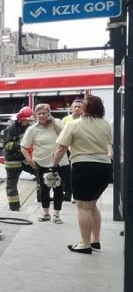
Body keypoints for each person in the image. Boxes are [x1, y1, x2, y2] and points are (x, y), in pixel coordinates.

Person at [52, 94, 112, 254]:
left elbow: (61, 148)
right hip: (104, 168)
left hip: (84, 167)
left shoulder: (74, 125)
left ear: (85, 108)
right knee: (92, 205)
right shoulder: (106, 125)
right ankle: (95, 240)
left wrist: (54, 165)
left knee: (83, 207)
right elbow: (109, 146)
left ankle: (85, 244)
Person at [21, 103, 69, 223]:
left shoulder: (57, 122)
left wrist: (53, 122)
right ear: (36, 115)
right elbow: (24, 146)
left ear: (49, 113)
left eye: (44, 113)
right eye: (39, 114)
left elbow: (64, 136)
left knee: (58, 189)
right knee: (44, 189)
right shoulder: (32, 129)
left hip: (60, 162)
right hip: (41, 162)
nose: (41, 116)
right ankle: (46, 213)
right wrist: (30, 160)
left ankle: (57, 215)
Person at [2, 106, 34, 211]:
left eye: (29, 120)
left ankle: (41, 200)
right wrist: (21, 145)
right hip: (13, 161)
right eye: (26, 120)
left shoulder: (28, 128)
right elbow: (7, 145)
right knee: (12, 184)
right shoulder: (10, 129)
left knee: (40, 175)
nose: (28, 122)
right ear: (20, 118)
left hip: (25, 159)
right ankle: (14, 207)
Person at [60, 98, 83, 201]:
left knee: (77, 172)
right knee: (66, 172)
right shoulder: (65, 120)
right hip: (67, 150)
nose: (77, 109)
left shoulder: (84, 120)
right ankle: (67, 193)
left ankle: (75, 193)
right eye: (75, 107)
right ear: (71, 108)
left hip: (79, 150)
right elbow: (60, 134)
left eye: (79, 107)